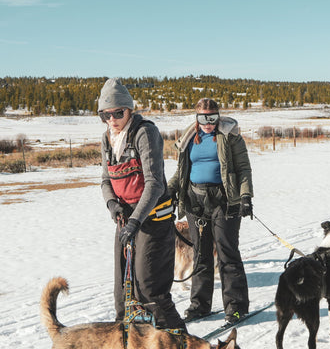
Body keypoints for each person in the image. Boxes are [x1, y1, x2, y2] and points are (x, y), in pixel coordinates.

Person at [98, 77, 185, 330]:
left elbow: (154, 184)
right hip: (126, 220)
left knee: (149, 290)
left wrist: (135, 220)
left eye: (118, 113)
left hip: (153, 219)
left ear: (129, 110)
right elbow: (105, 180)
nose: (112, 119)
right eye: (105, 115)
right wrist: (112, 205)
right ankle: (128, 347)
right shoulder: (107, 138)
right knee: (123, 292)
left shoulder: (145, 133)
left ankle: (182, 345)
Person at [168, 98, 254, 327]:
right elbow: (181, 172)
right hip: (195, 202)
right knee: (201, 255)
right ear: (197, 118)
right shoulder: (189, 139)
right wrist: (169, 191)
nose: (208, 123)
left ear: (218, 116)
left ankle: (236, 307)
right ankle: (199, 305)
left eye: (212, 118)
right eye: (203, 118)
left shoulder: (230, 137)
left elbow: (243, 168)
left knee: (227, 253)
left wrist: (246, 196)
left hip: (225, 202)